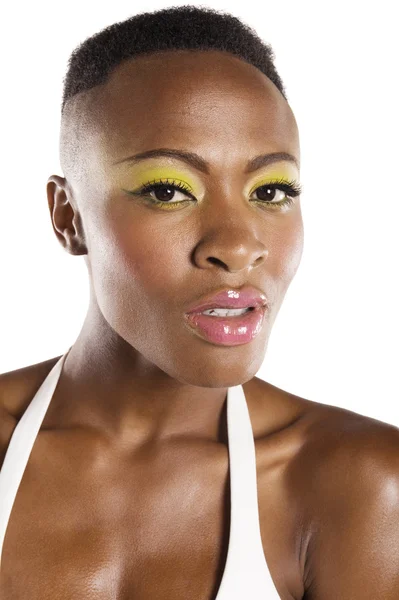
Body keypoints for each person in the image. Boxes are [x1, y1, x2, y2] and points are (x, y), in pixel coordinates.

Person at [0, 5, 398, 599]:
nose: (238, 246)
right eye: (168, 190)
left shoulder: (356, 484)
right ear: (68, 216)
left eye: (272, 190)